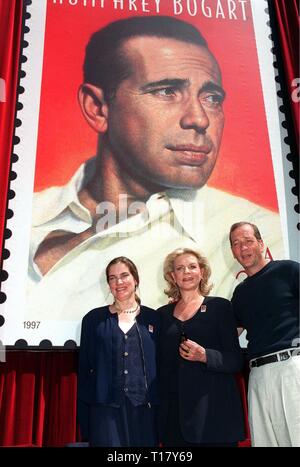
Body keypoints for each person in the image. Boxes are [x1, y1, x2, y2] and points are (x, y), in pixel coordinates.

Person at [27, 15, 284, 321]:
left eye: (211, 97)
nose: (200, 119)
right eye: (166, 91)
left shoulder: (264, 234)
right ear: (97, 108)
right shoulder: (24, 218)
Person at [157, 247, 245, 447]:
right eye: (180, 268)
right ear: (172, 276)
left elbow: (235, 360)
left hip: (215, 417)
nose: (186, 272)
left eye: (192, 267)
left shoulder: (220, 308)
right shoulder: (161, 315)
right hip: (175, 422)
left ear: (202, 272)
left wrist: (205, 355)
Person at [229, 221, 300, 447]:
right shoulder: (239, 294)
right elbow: (230, 333)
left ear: (261, 244)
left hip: (291, 368)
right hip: (258, 376)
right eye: (236, 244)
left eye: (248, 241)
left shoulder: (288, 270)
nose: (243, 248)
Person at [77, 256, 159, 447]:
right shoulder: (93, 320)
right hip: (105, 411)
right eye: (112, 278)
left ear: (135, 279)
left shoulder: (155, 318)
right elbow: (85, 368)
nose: (119, 282)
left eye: (124, 275)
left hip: (144, 410)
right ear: (108, 284)